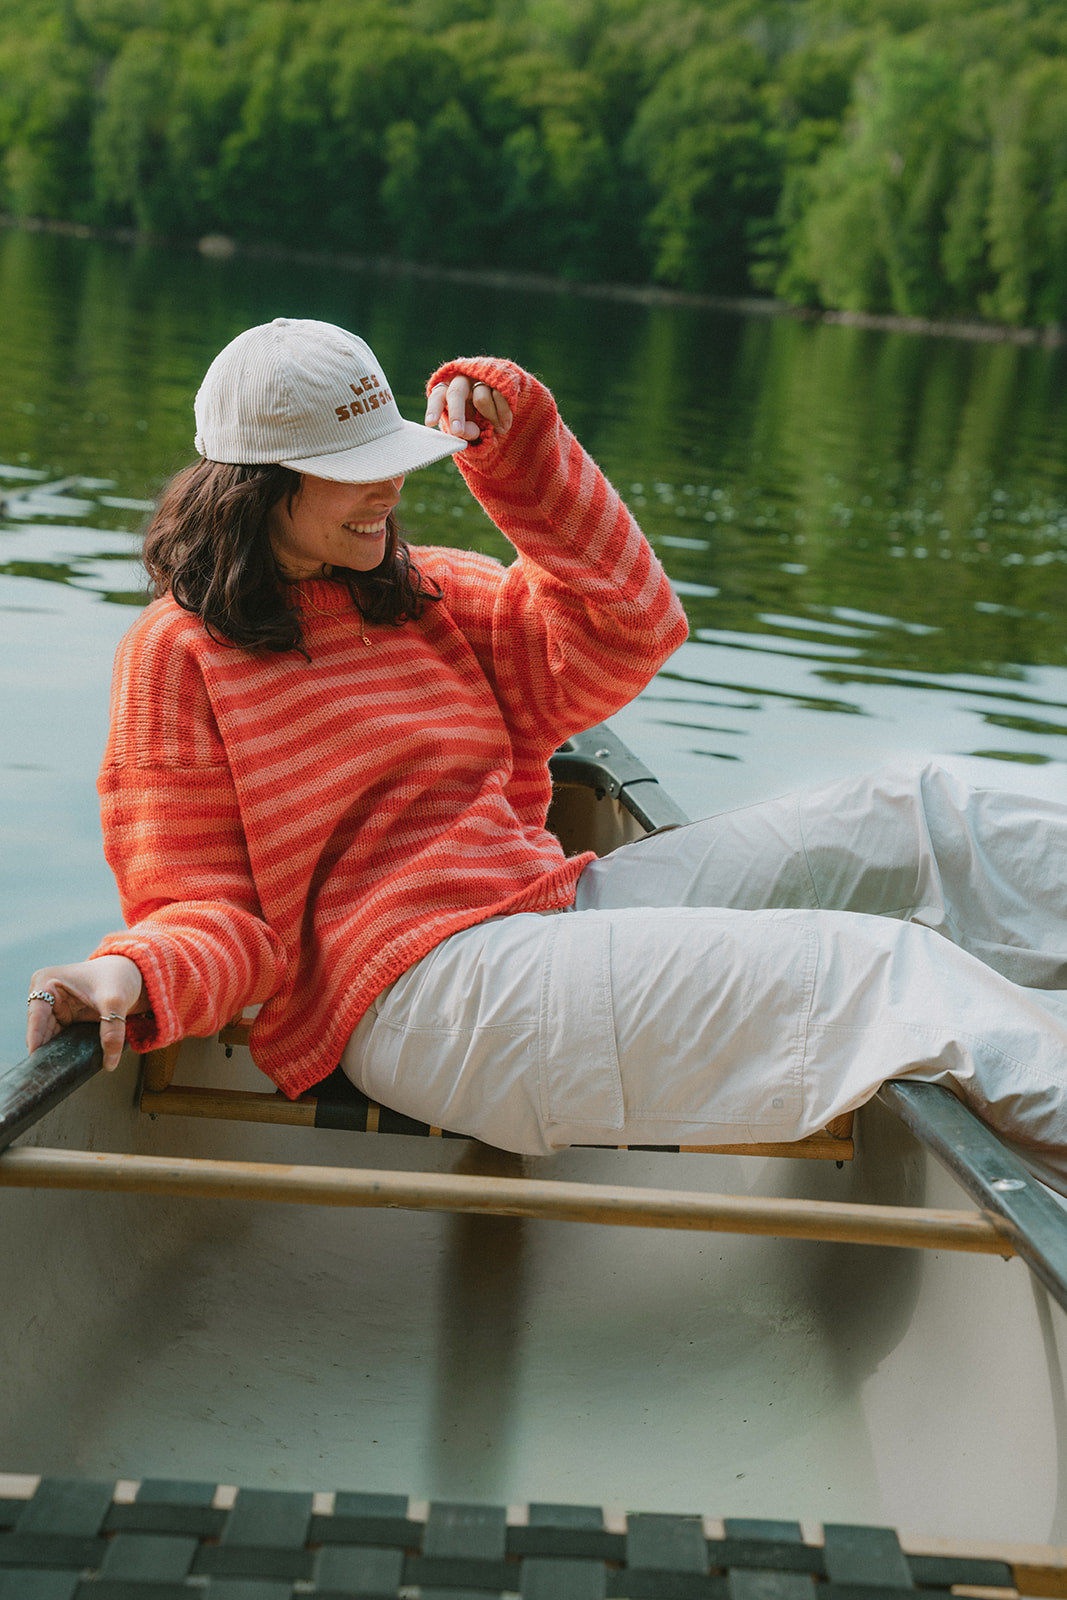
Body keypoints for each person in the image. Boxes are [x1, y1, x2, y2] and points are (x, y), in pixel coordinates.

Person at [25, 317, 1067, 1193]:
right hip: (421, 1001)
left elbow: (631, 624)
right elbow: (215, 914)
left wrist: (518, 456)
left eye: (390, 456)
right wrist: (129, 972)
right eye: (352, 472)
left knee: (910, 809)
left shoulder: (425, 590)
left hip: (546, 907)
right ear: (253, 484)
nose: (387, 488)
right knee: (884, 974)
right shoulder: (179, 651)